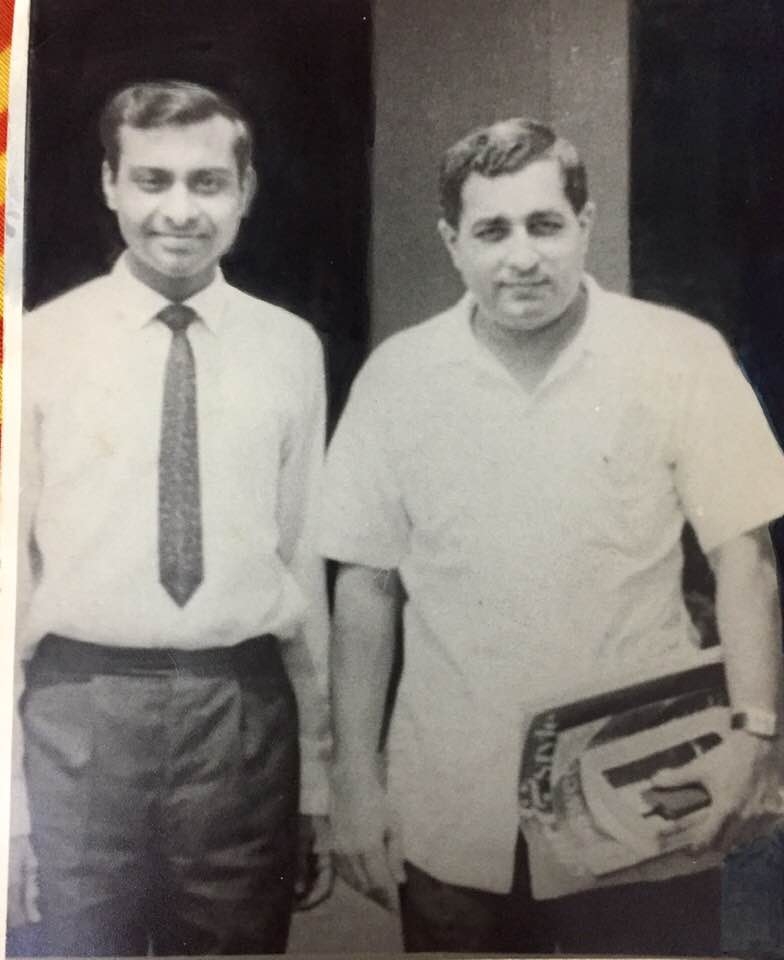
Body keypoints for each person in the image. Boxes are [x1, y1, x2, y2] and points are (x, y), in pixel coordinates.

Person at [320, 117, 784, 955]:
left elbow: (744, 561)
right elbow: (365, 586)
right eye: (492, 231)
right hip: (455, 805)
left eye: (545, 225)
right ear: (451, 242)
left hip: (644, 794)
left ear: (586, 224)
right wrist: (354, 780)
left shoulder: (678, 354)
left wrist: (757, 733)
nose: (522, 257)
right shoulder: (399, 378)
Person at [8, 80, 332, 956]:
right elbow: (7, 582)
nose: (180, 211)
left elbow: (303, 562)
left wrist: (318, 780)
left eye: (207, 182)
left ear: (245, 190)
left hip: (239, 717)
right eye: (153, 180)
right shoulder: (39, 344)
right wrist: (9, 806)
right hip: (78, 718)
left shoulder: (289, 348)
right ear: (110, 183)